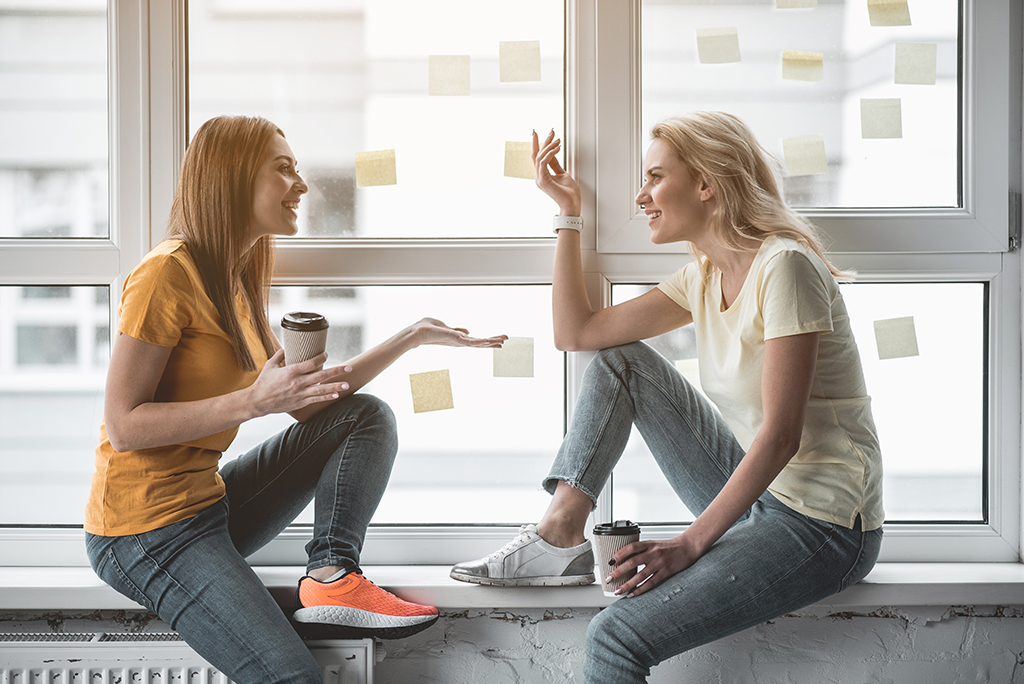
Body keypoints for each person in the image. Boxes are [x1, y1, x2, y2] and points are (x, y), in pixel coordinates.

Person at [450, 111, 884, 683]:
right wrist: (567, 214)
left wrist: (687, 546)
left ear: (706, 184)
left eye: (655, 177)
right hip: (763, 497)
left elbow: (781, 436)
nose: (640, 196)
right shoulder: (703, 275)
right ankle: (559, 533)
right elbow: (575, 334)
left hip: (823, 527)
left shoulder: (785, 268)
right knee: (621, 361)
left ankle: (569, 543)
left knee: (614, 637)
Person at [84, 115, 507, 684]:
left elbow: (312, 404)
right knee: (293, 678)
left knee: (364, 417)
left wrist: (413, 335)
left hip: (208, 506)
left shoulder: (234, 280)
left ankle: (332, 574)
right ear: (232, 178)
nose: (302, 185)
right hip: (142, 531)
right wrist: (252, 403)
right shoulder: (165, 274)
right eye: (284, 169)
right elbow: (125, 425)